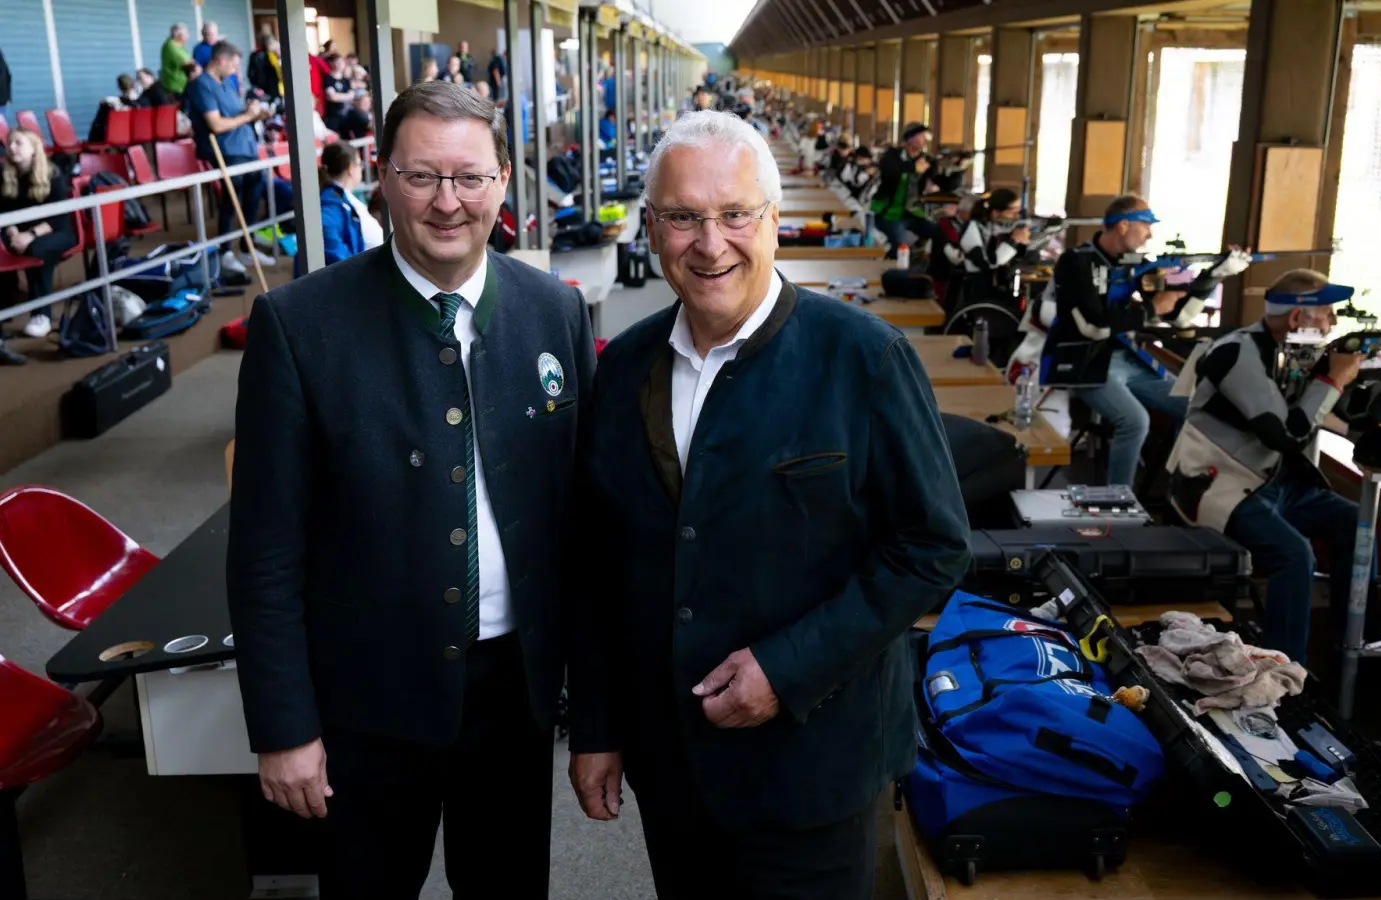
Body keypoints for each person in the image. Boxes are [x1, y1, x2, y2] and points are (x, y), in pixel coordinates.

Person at [567, 110, 971, 900]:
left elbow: (932, 547)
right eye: (683, 217)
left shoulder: (864, 358)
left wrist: (787, 669)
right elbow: (598, 562)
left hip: (814, 768)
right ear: (651, 229)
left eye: (734, 215)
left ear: (774, 223)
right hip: (672, 766)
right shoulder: (622, 373)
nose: (709, 243)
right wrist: (599, 729)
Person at [229, 80, 594, 900]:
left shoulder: (554, 315)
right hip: (365, 700)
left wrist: (596, 710)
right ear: (382, 180)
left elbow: (585, 529)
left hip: (514, 699)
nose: (446, 202)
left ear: (503, 181)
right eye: (422, 176)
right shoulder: (298, 327)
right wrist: (285, 728)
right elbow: (265, 552)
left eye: (469, 177)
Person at [1168, 269, 1362, 664]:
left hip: (1269, 483)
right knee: (1294, 554)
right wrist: (1333, 379)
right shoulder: (1238, 352)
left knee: (1359, 526)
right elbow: (1285, 435)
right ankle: (1283, 673)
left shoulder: (1293, 353)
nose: (1334, 322)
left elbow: (1348, 410)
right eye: (1326, 311)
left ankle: (1349, 647)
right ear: (1296, 319)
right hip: (1216, 483)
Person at [1021, 194, 1249, 487]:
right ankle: (1119, 501)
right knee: (1135, 422)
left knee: (1194, 408)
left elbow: (1179, 317)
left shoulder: (1138, 266)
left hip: (1126, 358)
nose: (1150, 235)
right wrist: (1153, 308)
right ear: (1124, 225)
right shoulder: (1074, 262)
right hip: (1084, 362)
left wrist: (1214, 276)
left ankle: (1175, 490)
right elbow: (1092, 327)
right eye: (1146, 226)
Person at [185, 41, 274, 273]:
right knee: (231, 200)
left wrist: (256, 113)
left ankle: (247, 248)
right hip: (226, 151)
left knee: (254, 195)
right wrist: (246, 116)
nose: (235, 70)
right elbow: (216, 124)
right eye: (233, 65)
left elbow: (237, 116)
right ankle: (225, 251)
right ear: (221, 61)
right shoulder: (201, 85)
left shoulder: (226, 84)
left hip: (246, 148)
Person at [1, 128, 73, 348]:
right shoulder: (5, 176)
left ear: (34, 149)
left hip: (55, 232)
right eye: (9, 143)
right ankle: (6, 306)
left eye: (18, 143)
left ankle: (41, 314)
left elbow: (58, 218)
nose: (12, 147)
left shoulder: (53, 174)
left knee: (38, 249)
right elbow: (3, 211)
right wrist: (13, 233)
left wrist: (29, 235)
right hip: (19, 232)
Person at [869, 122, 941, 254]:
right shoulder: (891, 155)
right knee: (902, 249)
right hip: (889, 213)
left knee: (941, 234)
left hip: (912, 212)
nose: (925, 139)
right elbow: (890, 171)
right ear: (910, 139)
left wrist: (957, 170)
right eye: (921, 135)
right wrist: (913, 168)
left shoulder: (926, 160)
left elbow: (939, 181)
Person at [316, 140, 379, 266]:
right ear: (351, 168)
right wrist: (355, 271)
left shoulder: (339, 197)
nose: (361, 168)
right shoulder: (331, 204)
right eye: (359, 164)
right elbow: (333, 249)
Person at [159, 23, 192, 96]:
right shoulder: (171, 46)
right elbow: (189, 65)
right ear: (178, 35)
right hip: (176, 88)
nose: (188, 36)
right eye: (186, 33)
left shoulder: (179, 46)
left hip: (181, 87)